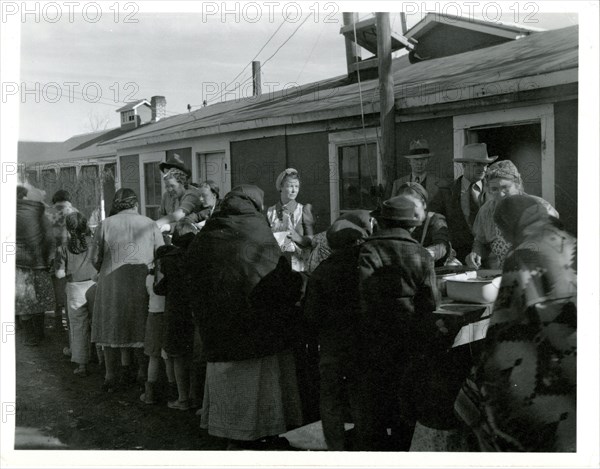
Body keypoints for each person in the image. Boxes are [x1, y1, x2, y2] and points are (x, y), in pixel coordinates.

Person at [455, 194, 576, 451]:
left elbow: (504, 327)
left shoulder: (522, 255)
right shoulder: (571, 243)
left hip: (549, 365)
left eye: (502, 229)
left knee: (472, 395)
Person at [189, 185, 303, 449]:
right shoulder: (257, 228)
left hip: (218, 329)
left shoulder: (209, 232)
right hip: (256, 329)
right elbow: (278, 277)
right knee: (258, 390)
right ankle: (259, 434)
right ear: (256, 204)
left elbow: (191, 272)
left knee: (228, 387)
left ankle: (230, 435)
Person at [358, 195, 451, 450]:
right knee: (406, 397)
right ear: (412, 226)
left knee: (376, 398)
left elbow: (364, 296)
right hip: (410, 336)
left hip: (375, 337)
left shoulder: (368, 249)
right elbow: (431, 303)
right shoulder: (421, 253)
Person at [302, 210, 373, 450]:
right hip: (362, 343)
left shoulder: (321, 272)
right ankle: (366, 445)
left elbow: (311, 315)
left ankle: (336, 447)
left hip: (331, 345)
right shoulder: (366, 268)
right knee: (360, 396)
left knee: (330, 397)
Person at [90, 188, 164, 392]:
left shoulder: (105, 224)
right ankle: (141, 372)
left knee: (110, 326)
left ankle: (110, 374)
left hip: (111, 283)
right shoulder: (149, 224)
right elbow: (161, 254)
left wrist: (105, 269)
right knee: (139, 326)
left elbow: (94, 257)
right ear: (135, 204)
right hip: (140, 282)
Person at [466, 160, 558, 270]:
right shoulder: (486, 211)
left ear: (517, 184)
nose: (500, 194)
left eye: (505, 187)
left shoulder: (540, 207)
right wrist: (476, 252)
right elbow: (480, 240)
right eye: (494, 189)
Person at [154, 221, 200, 410]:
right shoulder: (198, 258)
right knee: (194, 357)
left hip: (175, 311)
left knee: (177, 355)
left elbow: (159, 288)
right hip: (195, 311)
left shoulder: (169, 260)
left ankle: (182, 398)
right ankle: (195, 397)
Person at [430, 143, 497, 264]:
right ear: (464, 165)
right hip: (458, 260)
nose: (483, 169)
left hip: (490, 259)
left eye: (486, 164)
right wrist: (448, 252)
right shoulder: (446, 192)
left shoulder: (494, 191)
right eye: (478, 164)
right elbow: (433, 221)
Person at [55, 212, 96, 376]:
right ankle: (102, 361)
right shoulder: (94, 243)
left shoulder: (62, 248)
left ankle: (81, 365)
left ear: (68, 228)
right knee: (96, 323)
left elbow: (59, 274)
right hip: (94, 285)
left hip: (75, 287)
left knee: (78, 326)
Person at [15, 185, 55, 346]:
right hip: (39, 264)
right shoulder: (40, 212)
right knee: (39, 300)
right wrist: (48, 258)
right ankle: (39, 334)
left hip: (18, 266)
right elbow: (49, 237)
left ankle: (30, 336)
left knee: (24, 302)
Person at [267, 168, 315, 272]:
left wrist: (299, 238)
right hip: (274, 268)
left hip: (298, 269)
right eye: (290, 186)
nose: (294, 190)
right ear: (281, 187)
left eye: (296, 186)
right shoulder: (270, 212)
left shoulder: (303, 210)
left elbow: (312, 240)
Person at [394, 182, 451, 267]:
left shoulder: (435, 220)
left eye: (412, 205)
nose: (408, 210)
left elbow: (442, 246)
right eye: (403, 205)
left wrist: (423, 254)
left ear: (424, 204)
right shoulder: (396, 222)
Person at [46, 190, 78, 332]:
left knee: (55, 291)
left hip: (52, 257)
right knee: (70, 291)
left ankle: (58, 322)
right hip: (73, 256)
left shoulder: (47, 213)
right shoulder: (76, 212)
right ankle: (71, 323)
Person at [155, 154, 202, 232]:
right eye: (167, 186)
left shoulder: (192, 194)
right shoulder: (166, 195)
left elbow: (177, 216)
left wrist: (153, 226)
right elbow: (162, 215)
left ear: (182, 182)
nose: (169, 189)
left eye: (172, 186)